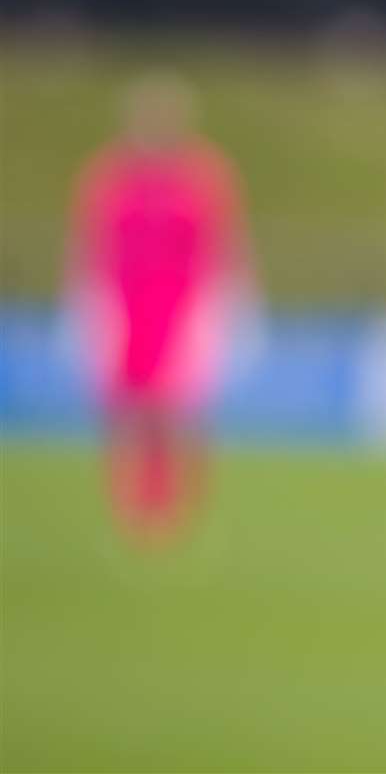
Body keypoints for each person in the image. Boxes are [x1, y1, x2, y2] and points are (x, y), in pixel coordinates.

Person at [68, 74, 251, 544]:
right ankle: (129, 504)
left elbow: (224, 245)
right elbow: (90, 246)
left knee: (179, 407)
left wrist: (231, 301)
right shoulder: (109, 178)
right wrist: (86, 301)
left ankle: (179, 506)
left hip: (181, 304)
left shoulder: (203, 177)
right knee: (127, 409)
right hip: (126, 302)